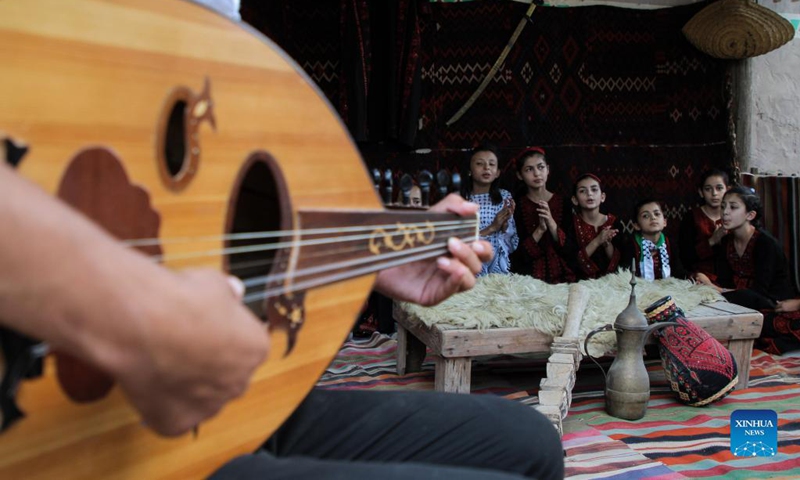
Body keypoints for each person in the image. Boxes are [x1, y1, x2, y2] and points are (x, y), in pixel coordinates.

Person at [0, 162, 563, 480]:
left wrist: (371, 249)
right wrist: (143, 317)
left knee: (530, 441)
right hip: (61, 433)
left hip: (220, 407)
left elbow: (206, 212)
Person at [695, 186, 795, 310]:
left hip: (770, 303)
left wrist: (716, 289)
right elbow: (724, 280)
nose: (725, 212)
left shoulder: (765, 244)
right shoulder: (727, 241)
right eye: (723, 206)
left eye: (733, 207)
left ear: (750, 215)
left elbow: (760, 291)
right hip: (735, 299)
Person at [511, 147, 575, 283]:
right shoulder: (516, 206)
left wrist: (551, 223)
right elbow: (517, 255)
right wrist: (540, 230)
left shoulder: (565, 203)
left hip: (563, 279)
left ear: (548, 170)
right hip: (526, 280)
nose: (537, 174)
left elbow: (570, 250)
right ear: (519, 175)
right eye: (529, 169)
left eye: (540, 167)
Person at [460, 143, 519, 276]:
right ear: (469, 170)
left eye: (492, 164)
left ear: (497, 172)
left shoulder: (505, 197)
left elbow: (510, 245)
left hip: (497, 271)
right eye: (480, 164)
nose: (486, 168)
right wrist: (492, 228)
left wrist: (505, 225)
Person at [564, 173, 621, 280]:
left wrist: (607, 244)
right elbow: (572, 262)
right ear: (575, 199)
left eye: (594, 190)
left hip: (611, 285)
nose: (589, 194)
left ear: (602, 197)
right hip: (580, 284)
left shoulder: (614, 223)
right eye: (582, 191)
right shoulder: (571, 225)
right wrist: (597, 241)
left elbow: (619, 264)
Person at [679, 168, 730, 282]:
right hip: (700, 277)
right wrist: (712, 240)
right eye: (708, 189)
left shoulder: (734, 216)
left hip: (731, 276)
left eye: (719, 188)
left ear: (728, 190)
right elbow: (685, 256)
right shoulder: (691, 217)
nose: (714, 193)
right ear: (701, 192)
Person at [621, 199, 687, 280]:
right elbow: (625, 274)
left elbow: (678, 273)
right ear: (637, 225)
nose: (653, 218)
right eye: (645, 216)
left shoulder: (670, 244)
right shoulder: (631, 245)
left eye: (657, 214)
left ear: (664, 222)